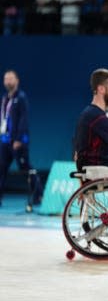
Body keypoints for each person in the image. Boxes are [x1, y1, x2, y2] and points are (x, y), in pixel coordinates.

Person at [0, 70, 43, 210]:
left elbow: (24, 119)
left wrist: (18, 139)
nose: (8, 81)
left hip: (18, 141)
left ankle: (38, 194)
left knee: (25, 168)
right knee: (2, 169)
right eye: (6, 79)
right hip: (5, 140)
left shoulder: (21, 97)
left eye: (11, 78)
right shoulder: (5, 98)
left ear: (17, 81)